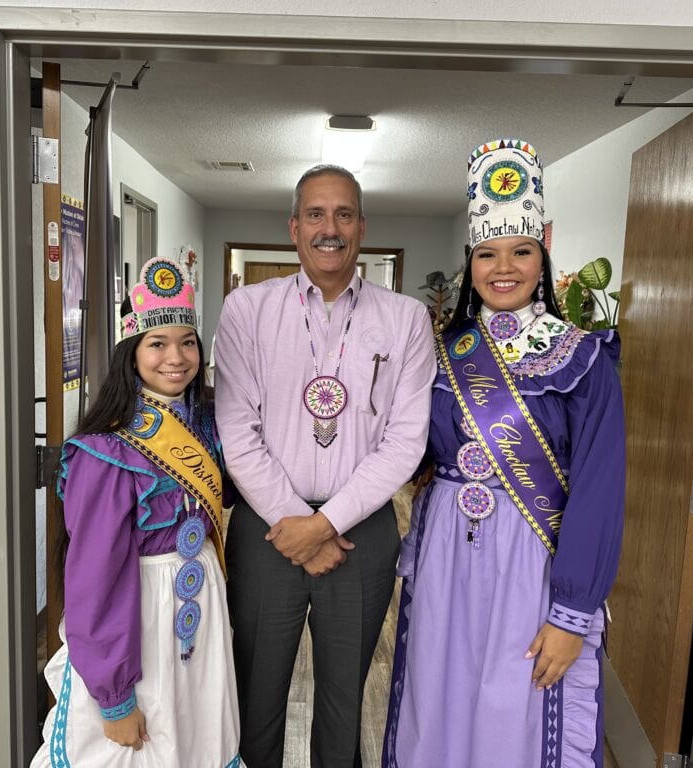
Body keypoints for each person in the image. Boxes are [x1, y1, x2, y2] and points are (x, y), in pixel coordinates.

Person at [382, 139, 626, 767]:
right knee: (436, 700)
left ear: (543, 253)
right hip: (443, 553)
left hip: (534, 559)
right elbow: (404, 448)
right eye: (487, 253)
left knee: (514, 708)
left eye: (520, 251)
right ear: (471, 262)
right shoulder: (440, 352)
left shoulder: (584, 359)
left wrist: (572, 614)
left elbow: (599, 488)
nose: (503, 267)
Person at [214, 165, 436, 767]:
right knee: (254, 696)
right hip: (268, 531)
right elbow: (237, 429)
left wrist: (328, 522)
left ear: (362, 227)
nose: (329, 228)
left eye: (343, 215)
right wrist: (298, 524)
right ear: (294, 227)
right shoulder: (247, 311)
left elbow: (406, 439)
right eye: (315, 214)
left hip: (360, 533)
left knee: (344, 704)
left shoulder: (406, 319)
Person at [32, 257, 241, 768]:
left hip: (198, 614)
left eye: (188, 342)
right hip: (137, 623)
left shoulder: (208, 423)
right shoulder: (106, 450)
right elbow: (96, 577)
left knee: (193, 742)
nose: (177, 357)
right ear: (131, 354)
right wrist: (114, 695)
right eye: (158, 344)